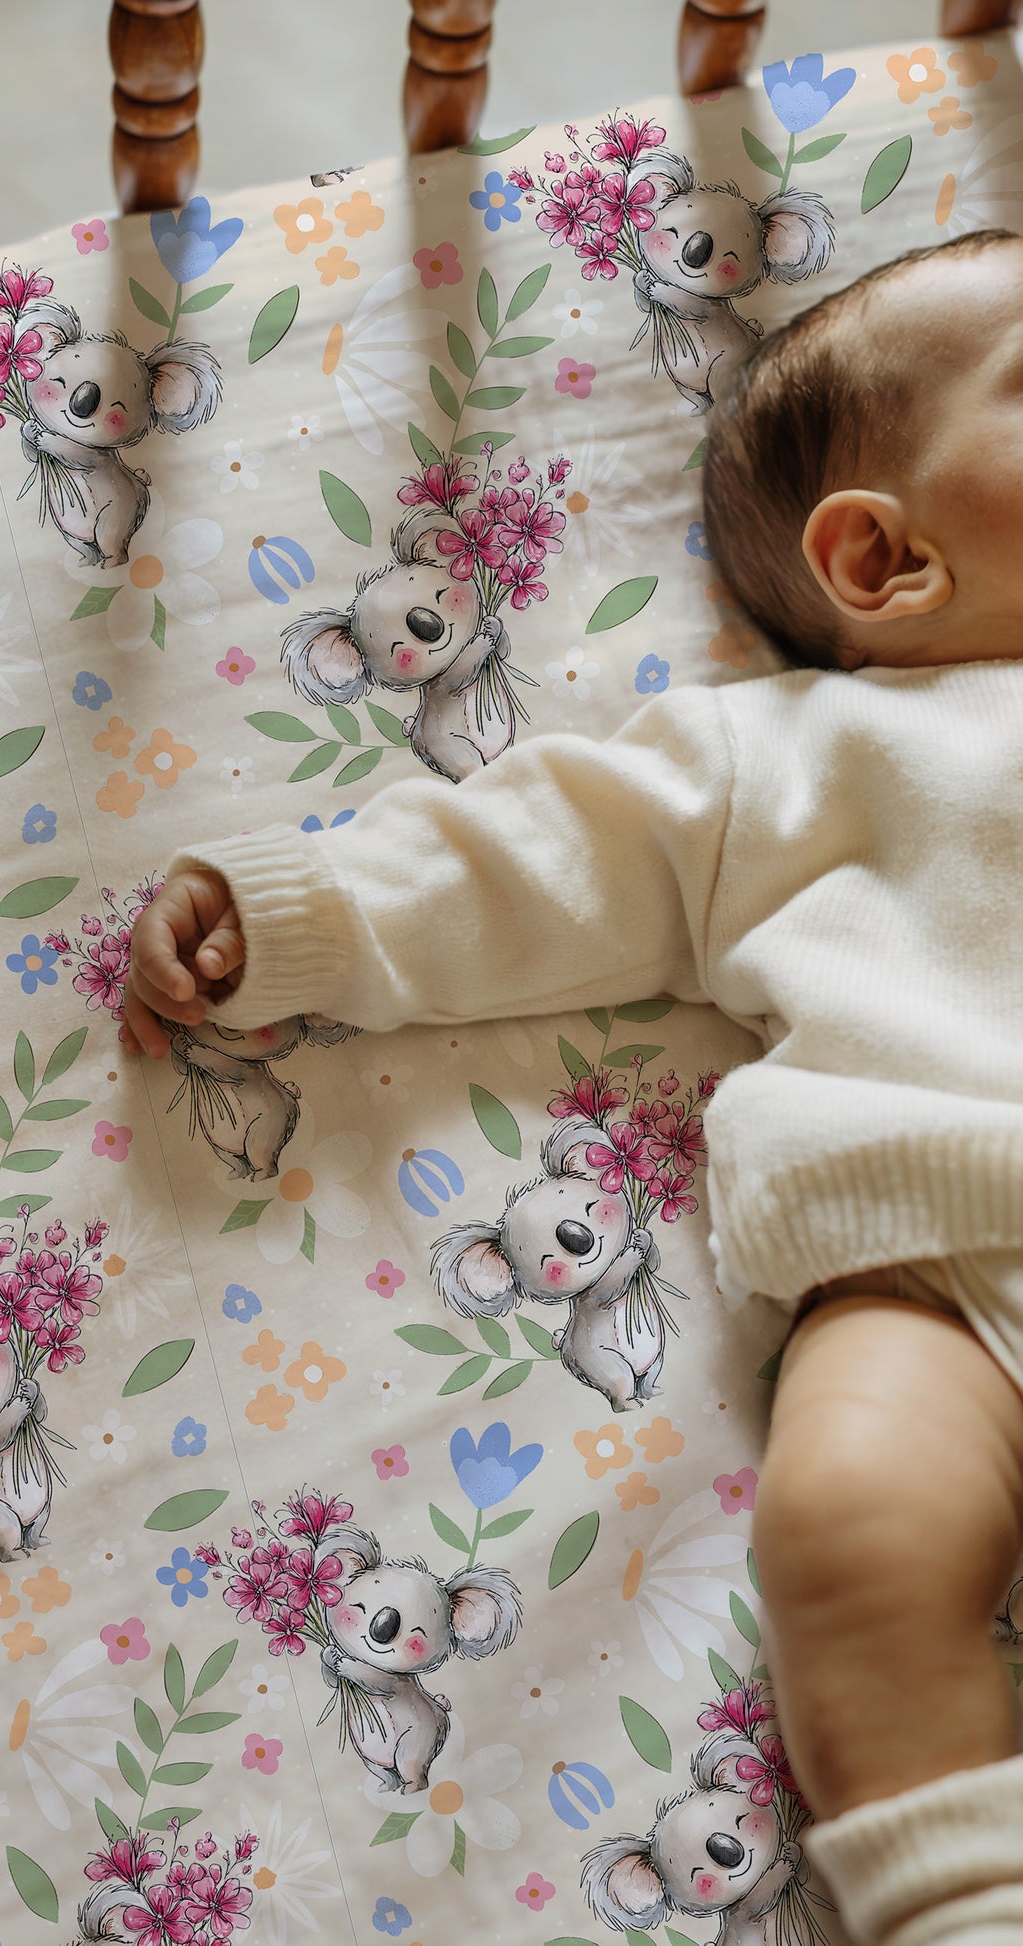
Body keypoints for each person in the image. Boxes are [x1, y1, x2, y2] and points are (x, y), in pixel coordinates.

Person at [124, 228, 1023, 1946]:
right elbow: (541, 857)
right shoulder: (791, 765)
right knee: (847, 1533)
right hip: (931, 1253)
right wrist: (298, 915)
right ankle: (960, 1906)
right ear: (883, 560)